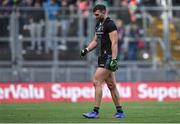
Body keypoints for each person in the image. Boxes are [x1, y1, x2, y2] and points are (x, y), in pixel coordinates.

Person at [80, 4, 126, 118]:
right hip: (102, 56)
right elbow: (95, 40)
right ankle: (120, 112)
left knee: (96, 81)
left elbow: (114, 42)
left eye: (97, 14)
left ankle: (95, 112)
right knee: (111, 85)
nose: (95, 16)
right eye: (94, 14)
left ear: (103, 12)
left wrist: (114, 59)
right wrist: (86, 49)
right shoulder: (99, 24)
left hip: (109, 57)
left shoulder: (110, 24)